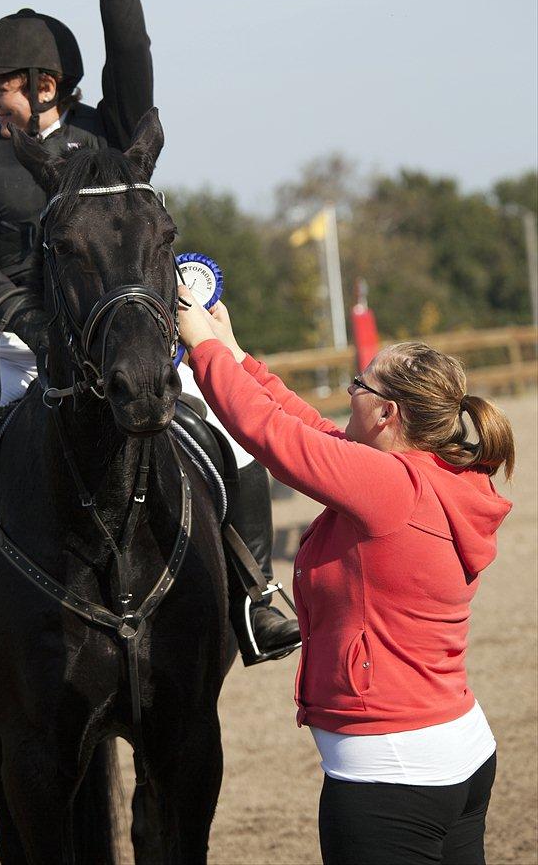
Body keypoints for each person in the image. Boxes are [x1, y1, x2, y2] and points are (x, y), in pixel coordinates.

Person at [0, 0, 298, 711]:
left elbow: (130, 43)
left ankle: (258, 594)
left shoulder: (111, 135)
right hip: (3, 355)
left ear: (44, 84)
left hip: (123, 347)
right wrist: (30, 323)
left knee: (232, 438)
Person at [177, 286, 514, 865]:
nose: (350, 390)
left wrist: (202, 348)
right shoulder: (435, 471)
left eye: (361, 383)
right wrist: (233, 352)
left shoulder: (388, 486)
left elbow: (270, 434)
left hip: (391, 777)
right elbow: (309, 428)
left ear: (387, 413)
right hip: (457, 748)